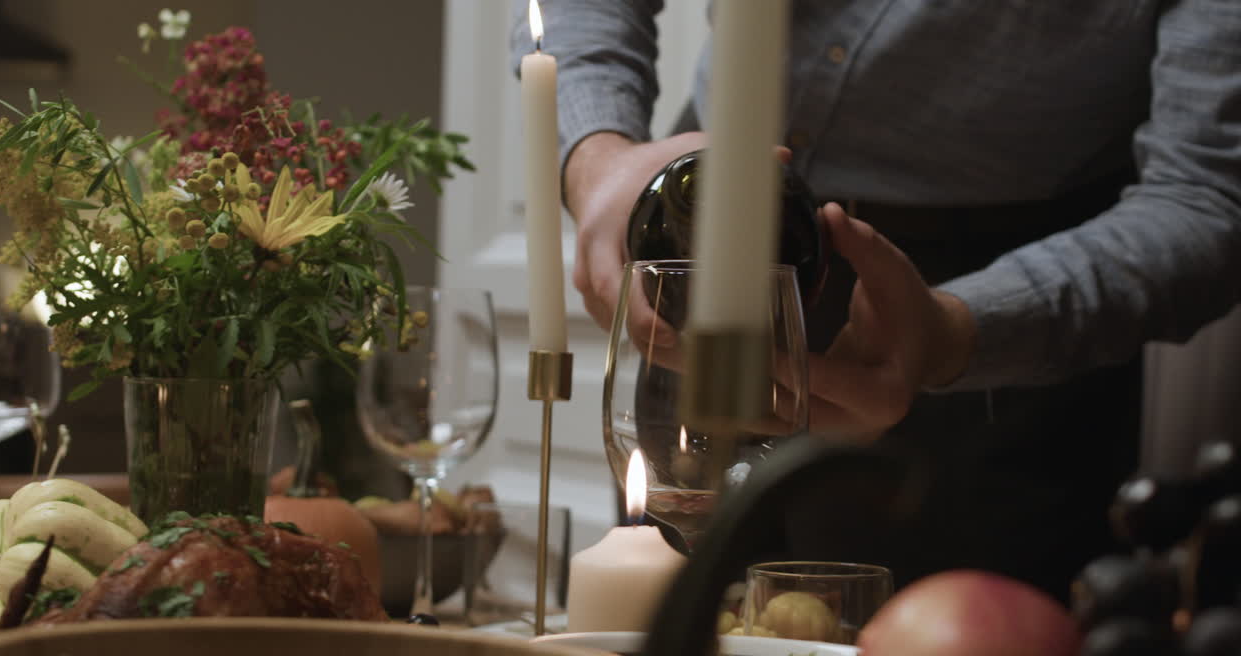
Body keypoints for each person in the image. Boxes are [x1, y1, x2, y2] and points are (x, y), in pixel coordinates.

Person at [510, 1, 1241, 602]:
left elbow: (1207, 198)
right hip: (704, 250)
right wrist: (599, 160)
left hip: (990, 328)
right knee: (661, 652)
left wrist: (954, 333)